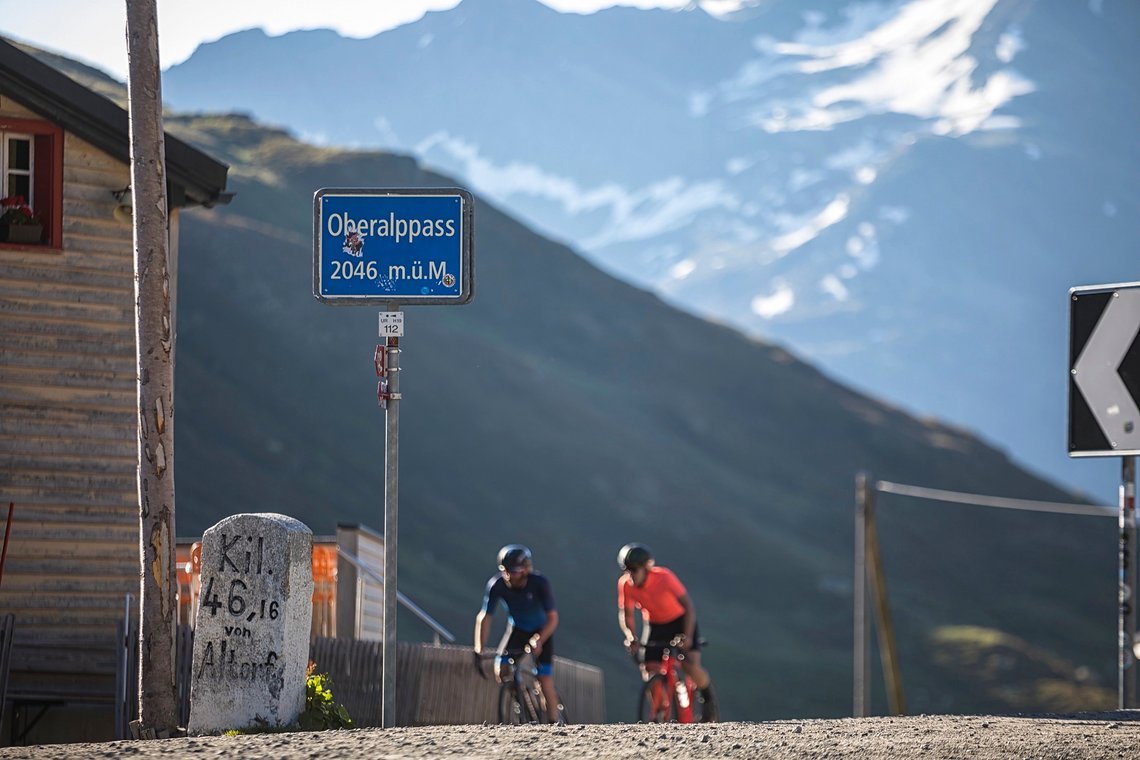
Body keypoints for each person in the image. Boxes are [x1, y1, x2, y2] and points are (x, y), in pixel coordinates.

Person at [616, 542, 718, 721]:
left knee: (689, 665)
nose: (630, 574)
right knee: (649, 667)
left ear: (646, 569)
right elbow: (627, 614)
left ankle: (708, 698)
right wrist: (631, 636)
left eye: (634, 569)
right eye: (627, 570)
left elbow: (688, 607)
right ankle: (662, 709)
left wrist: (686, 637)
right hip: (655, 624)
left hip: (681, 620)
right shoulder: (625, 584)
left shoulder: (664, 577)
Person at [474, 544, 561, 722]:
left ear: (526, 570)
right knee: (502, 670)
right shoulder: (496, 585)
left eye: (518, 572)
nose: (514, 576)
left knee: (544, 680)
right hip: (518, 629)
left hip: (542, 630)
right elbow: (485, 617)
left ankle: (554, 722)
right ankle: (521, 701)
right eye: (510, 572)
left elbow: (553, 618)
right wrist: (479, 649)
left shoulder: (539, 583)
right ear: (503, 570)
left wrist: (539, 640)